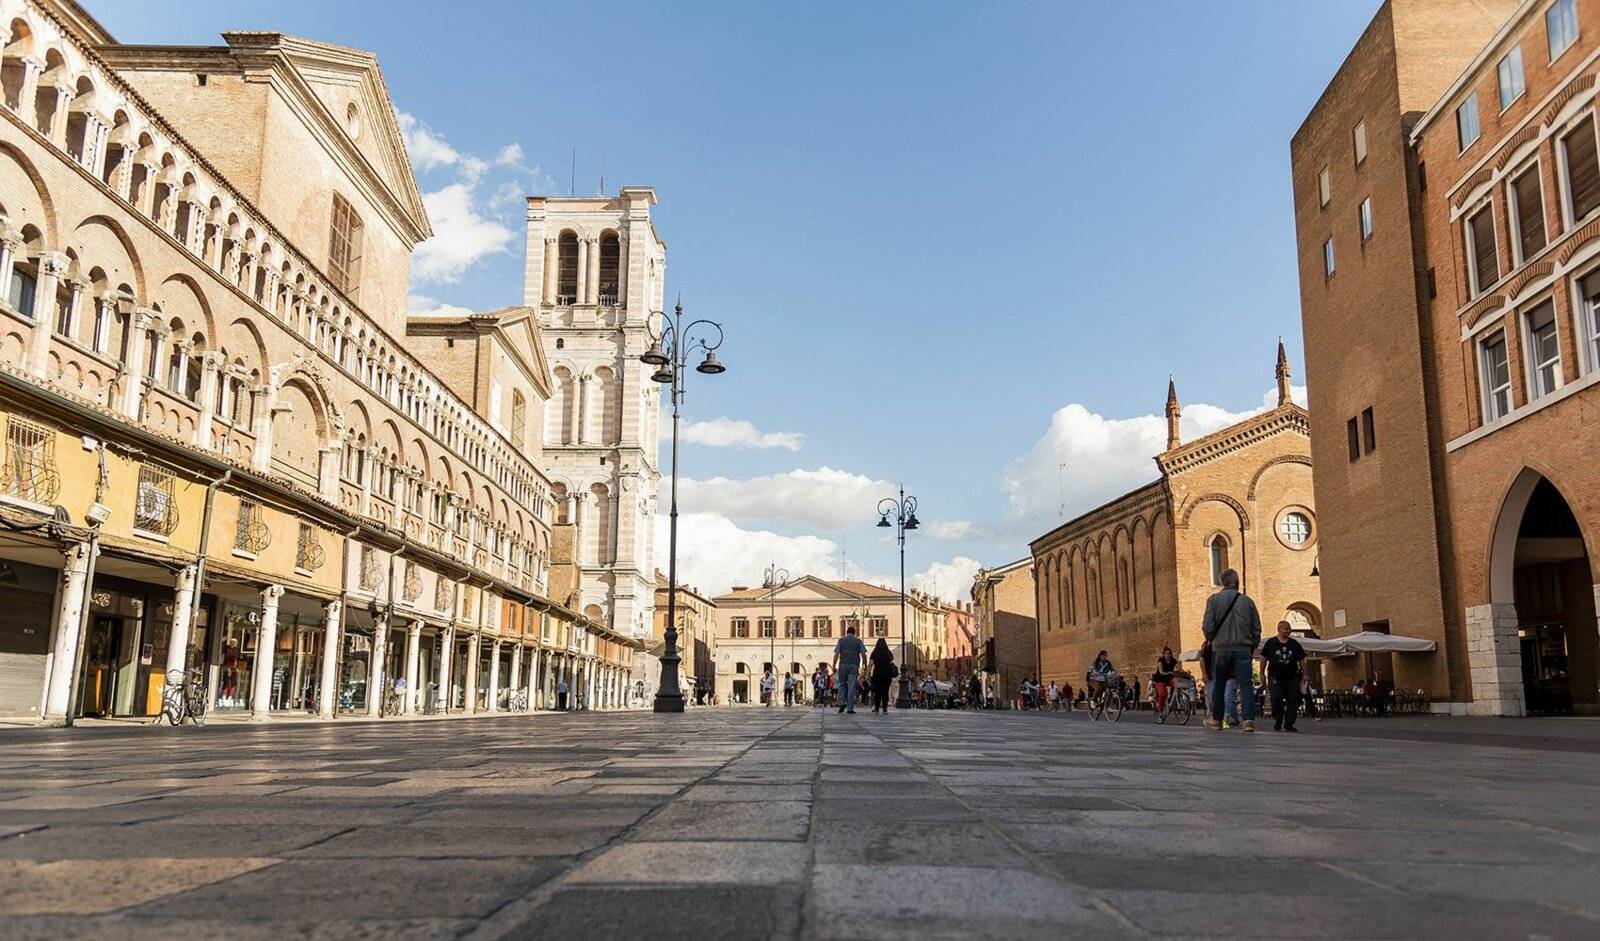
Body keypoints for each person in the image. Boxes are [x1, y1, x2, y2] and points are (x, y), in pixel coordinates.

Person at [1201, 568, 1263, 732]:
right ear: (1237, 583)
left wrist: (1214, 639)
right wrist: (1251, 646)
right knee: (1246, 684)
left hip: (1220, 649)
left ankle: (1217, 720)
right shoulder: (1248, 601)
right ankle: (1248, 721)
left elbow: (1208, 626)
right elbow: (1257, 628)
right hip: (1243, 648)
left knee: (1219, 684)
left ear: (1222, 583)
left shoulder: (1213, 600)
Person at [1261, 619, 1307, 732]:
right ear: (1279, 629)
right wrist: (1261, 673)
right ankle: (1278, 719)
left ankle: (1289, 724)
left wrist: (1305, 674)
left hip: (1292, 677)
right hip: (1275, 677)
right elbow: (1263, 658)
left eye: (1289, 628)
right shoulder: (1271, 643)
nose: (1289, 631)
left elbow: (1302, 659)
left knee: (1293, 701)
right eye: (1286, 628)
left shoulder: (1294, 644)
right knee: (1276, 698)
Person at [833, 623, 868, 714]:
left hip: (843, 665)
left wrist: (833, 664)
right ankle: (850, 708)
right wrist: (865, 666)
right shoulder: (858, 641)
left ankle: (841, 702)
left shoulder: (841, 640)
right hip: (854, 666)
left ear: (846, 632)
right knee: (851, 687)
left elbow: (836, 653)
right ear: (854, 633)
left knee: (842, 685)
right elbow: (864, 655)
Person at [868, 637, 896, 713]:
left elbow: (870, 664)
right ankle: (885, 709)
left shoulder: (875, 652)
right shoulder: (888, 652)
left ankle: (877, 708)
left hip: (877, 674)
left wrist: (868, 673)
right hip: (887, 674)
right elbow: (892, 663)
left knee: (877, 692)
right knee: (885, 692)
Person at [1152, 646, 1178, 714]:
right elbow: (1161, 671)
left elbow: (1179, 669)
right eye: (1166, 653)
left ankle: (1172, 703)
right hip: (1160, 679)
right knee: (1163, 694)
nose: (1168, 655)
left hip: (1169, 679)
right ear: (1163, 654)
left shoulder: (1173, 660)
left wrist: (1185, 673)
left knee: (1177, 684)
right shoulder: (1161, 660)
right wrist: (1169, 672)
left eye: (1169, 653)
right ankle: (1160, 710)